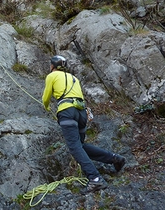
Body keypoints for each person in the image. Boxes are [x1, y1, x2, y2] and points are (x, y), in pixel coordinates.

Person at [42, 55, 126, 194]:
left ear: (52, 66)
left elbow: (46, 97)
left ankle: (95, 179)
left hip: (67, 111)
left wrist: (46, 107)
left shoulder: (52, 76)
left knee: (74, 147)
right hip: (81, 113)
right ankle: (114, 159)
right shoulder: (74, 78)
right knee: (80, 145)